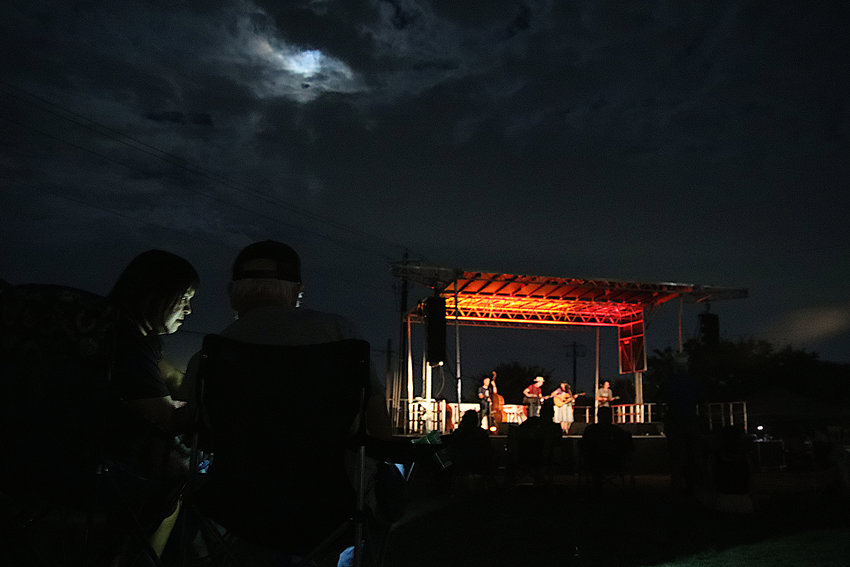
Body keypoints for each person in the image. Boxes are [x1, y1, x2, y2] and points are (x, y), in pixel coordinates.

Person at [182, 240, 395, 565]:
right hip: (330, 503)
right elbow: (379, 426)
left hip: (238, 506)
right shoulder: (340, 335)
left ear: (232, 292)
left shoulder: (209, 355)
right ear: (297, 290)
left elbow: (196, 430)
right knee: (386, 487)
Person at [107, 249, 199, 559]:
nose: (188, 309)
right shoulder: (127, 345)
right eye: (183, 298)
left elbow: (168, 376)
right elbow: (164, 416)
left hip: (37, 455)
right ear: (156, 295)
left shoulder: (111, 330)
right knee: (185, 477)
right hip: (103, 470)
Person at [580, 406, 634, 493]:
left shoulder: (590, 430)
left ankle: (596, 488)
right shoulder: (618, 431)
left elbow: (583, 447)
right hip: (614, 462)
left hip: (594, 462)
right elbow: (629, 448)